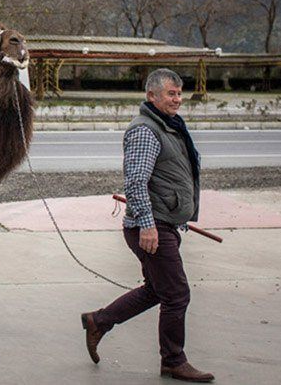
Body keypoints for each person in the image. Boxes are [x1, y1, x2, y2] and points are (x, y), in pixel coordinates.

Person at [81, 69, 213, 382]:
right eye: (171, 94)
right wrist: (148, 225)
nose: (177, 99)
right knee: (177, 294)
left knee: (158, 289)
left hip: (164, 223)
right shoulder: (145, 130)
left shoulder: (169, 126)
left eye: (179, 94)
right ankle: (173, 361)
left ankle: (99, 321)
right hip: (152, 227)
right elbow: (136, 182)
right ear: (151, 96)